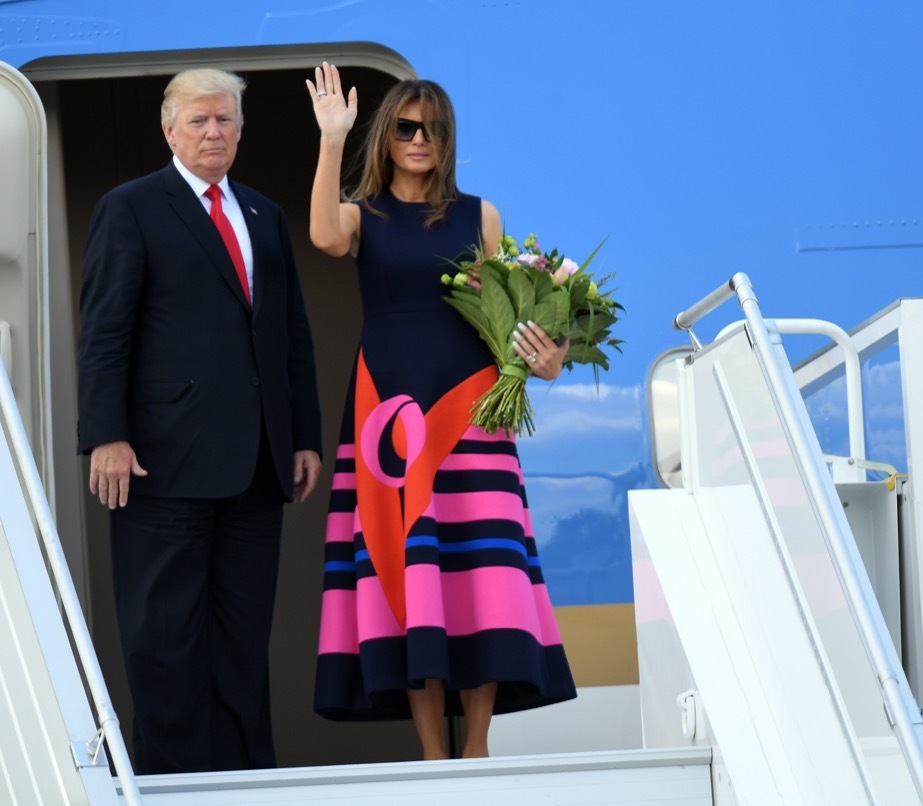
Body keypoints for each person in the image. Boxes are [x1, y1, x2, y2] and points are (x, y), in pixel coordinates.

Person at [304, 62, 576, 760]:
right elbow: (325, 239)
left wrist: (551, 355)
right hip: (389, 411)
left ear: (447, 138)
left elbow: (513, 313)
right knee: (407, 570)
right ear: (386, 137)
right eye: (405, 127)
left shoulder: (477, 215)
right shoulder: (363, 215)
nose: (419, 138)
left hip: (472, 411)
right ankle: (432, 750)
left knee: (477, 574)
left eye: (432, 129)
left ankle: (477, 743)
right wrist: (332, 137)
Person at [77, 67, 323, 774]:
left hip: (256, 465)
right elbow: (104, 331)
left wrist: (301, 436)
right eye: (198, 121)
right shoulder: (131, 207)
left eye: (225, 121)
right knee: (165, 639)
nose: (213, 132)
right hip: (161, 463)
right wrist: (106, 434)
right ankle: (169, 785)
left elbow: (290, 336)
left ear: (242, 132)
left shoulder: (263, 215)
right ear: (169, 130)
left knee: (243, 639)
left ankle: (247, 781)